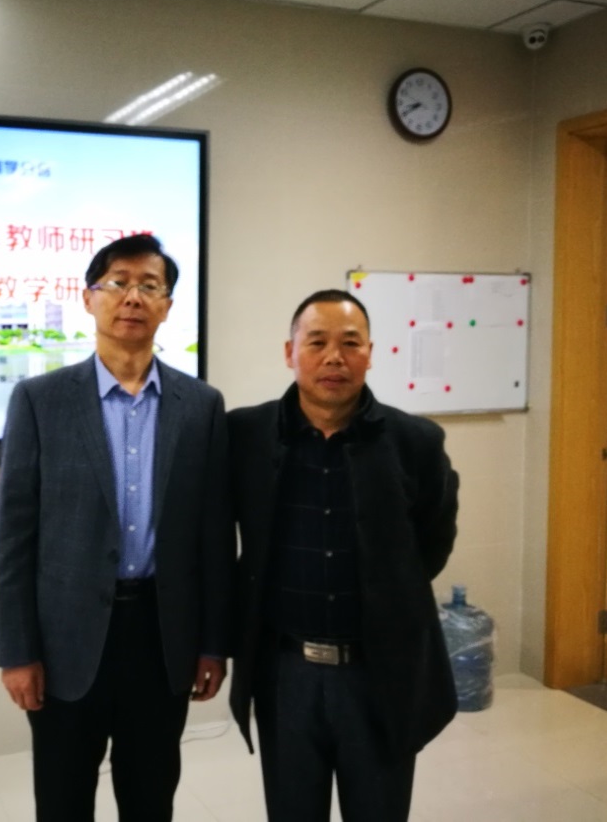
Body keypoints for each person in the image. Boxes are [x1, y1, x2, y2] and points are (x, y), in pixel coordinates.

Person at [0, 233, 233, 822]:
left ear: (167, 306)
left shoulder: (201, 405)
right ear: (88, 298)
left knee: (150, 798)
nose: (133, 297)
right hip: (65, 642)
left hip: (162, 636)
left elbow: (213, 537)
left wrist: (213, 643)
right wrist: (16, 651)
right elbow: (14, 538)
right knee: (63, 800)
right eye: (118, 283)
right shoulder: (40, 400)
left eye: (150, 286)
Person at [228, 289, 459, 822]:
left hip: (380, 673)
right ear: (289, 352)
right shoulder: (244, 435)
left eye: (350, 343)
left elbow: (432, 545)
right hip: (285, 674)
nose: (334, 357)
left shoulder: (416, 441)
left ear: (370, 354)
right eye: (317, 342)